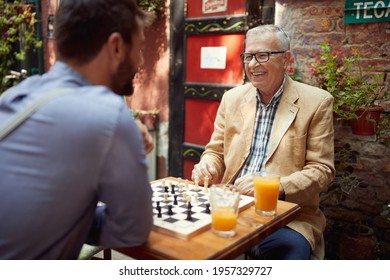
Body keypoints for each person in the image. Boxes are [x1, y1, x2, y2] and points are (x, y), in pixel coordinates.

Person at [0, 0, 155, 259]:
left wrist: (60, 212)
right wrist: (75, 214)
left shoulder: (14, 96)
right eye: (139, 47)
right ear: (116, 47)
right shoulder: (109, 115)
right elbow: (133, 229)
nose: (140, 61)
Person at [191, 25, 335, 260]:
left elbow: (322, 170)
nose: (253, 64)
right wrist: (208, 164)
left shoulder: (317, 102)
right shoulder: (232, 98)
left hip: (289, 215)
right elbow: (215, 151)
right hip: (232, 204)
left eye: (263, 55)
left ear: (286, 59)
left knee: (286, 254)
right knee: (188, 248)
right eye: (248, 56)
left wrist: (273, 186)